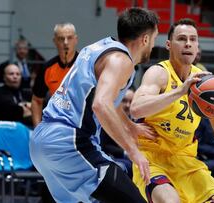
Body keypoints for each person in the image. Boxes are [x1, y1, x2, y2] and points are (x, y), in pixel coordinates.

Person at [29, 8, 159, 203]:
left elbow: (107, 99)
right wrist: (134, 151)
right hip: (70, 142)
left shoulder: (99, 47)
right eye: (155, 38)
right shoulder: (121, 60)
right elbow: (101, 104)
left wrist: (130, 126)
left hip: (42, 141)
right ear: (146, 39)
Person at [130, 18, 214, 203]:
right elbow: (136, 109)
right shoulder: (159, 73)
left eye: (193, 39)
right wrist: (180, 91)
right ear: (169, 45)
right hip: (152, 158)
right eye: (182, 38)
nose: (188, 43)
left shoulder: (204, 81)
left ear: (197, 47)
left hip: (186, 160)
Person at [31, 22, 79, 127]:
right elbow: (36, 100)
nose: (66, 43)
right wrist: (37, 130)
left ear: (76, 40)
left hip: (83, 124)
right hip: (57, 125)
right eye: (61, 39)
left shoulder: (87, 65)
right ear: (55, 41)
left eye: (69, 38)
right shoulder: (47, 68)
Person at [100, 88, 135, 177]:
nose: (128, 105)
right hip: (116, 157)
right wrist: (126, 153)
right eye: (124, 101)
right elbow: (105, 145)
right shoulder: (108, 120)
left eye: (131, 102)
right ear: (118, 101)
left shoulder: (137, 121)